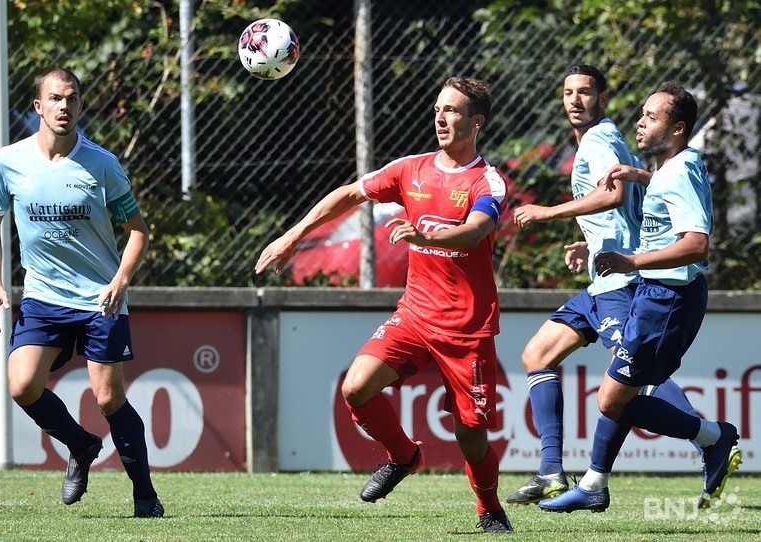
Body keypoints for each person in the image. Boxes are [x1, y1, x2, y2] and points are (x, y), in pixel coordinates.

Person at [256, 77, 513, 533]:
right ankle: (404, 456)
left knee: (471, 435)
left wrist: (424, 235)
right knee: (356, 387)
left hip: (466, 328)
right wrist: (292, 236)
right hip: (414, 315)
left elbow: (475, 231)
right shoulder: (410, 170)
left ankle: (490, 512)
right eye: (438, 108)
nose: (441, 117)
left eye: (453, 110)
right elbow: (350, 194)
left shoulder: (487, 180)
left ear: (477, 123)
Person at [507, 65, 739, 507]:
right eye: (567, 91)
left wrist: (548, 212)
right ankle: (555, 472)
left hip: (630, 281)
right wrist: (590, 238)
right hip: (609, 276)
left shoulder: (600, 140)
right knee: (541, 355)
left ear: (603, 98)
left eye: (586, 92)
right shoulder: (657, 161)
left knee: (629, 386)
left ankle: (708, 438)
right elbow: (642, 200)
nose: (575, 100)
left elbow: (618, 201)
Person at [0, 67, 163, 518]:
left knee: (107, 397)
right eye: (56, 99)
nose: (65, 107)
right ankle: (81, 445)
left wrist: (120, 280)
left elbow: (137, 231)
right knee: (22, 384)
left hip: (101, 298)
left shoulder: (101, 164)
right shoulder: (8, 162)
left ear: (80, 105)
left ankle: (145, 498)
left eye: (73, 99)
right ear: (38, 106)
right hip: (43, 297)